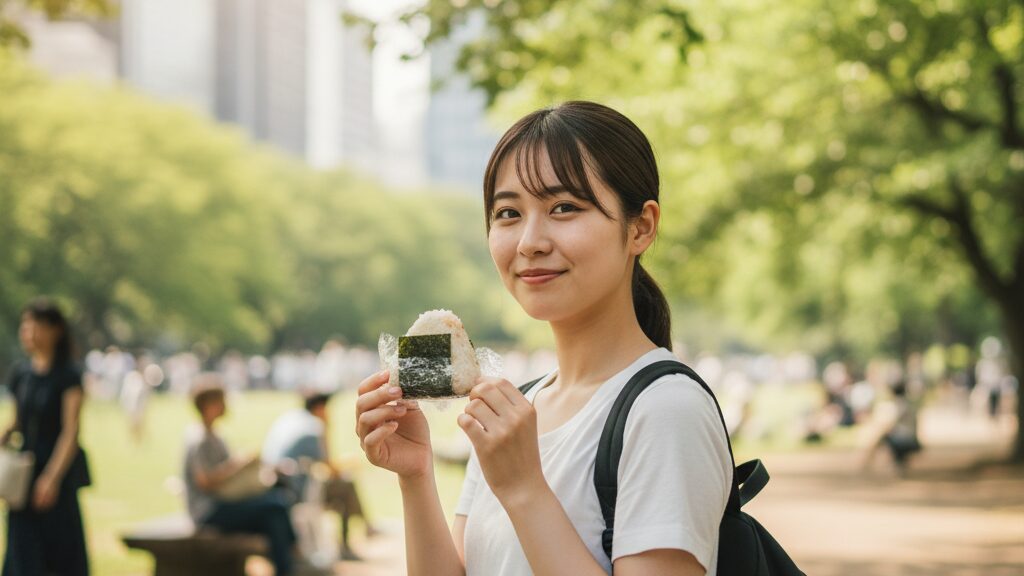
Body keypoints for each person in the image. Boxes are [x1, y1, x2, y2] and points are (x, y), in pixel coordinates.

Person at [355, 101, 732, 576]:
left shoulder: (665, 410)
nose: (530, 241)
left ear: (641, 227)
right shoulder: (516, 408)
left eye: (564, 207)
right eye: (509, 212)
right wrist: (415, 474)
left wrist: (526, 490)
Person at [2, 298, 91, 575]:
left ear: (55, 330)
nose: (29, 333)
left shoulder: (68, 375)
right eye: (26, 326)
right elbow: (19, 420)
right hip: (24, 473)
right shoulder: (21, 373)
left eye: (36, 326)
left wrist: (51, 478)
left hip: (55, 470)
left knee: (59, 552)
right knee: (22, 551)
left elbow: (70, 430)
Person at [183, 374, 297, 575]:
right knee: (275, 508)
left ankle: (287, 565)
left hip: (223, 502)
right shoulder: (198, 438)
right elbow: (205, 482)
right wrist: (239, 464)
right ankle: (290, 561)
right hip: (209, 510)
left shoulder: (215, 435)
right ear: (210, 404)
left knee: (275, 510)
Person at [261, 391, 375, 561]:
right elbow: (330, 468)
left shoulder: (290, 418)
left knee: (343, 484)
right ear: (320, 408)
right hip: (294, 489)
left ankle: (367, 526)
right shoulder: (314, 427)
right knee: (346, 485)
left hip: (274, 482)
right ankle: (351, 541)